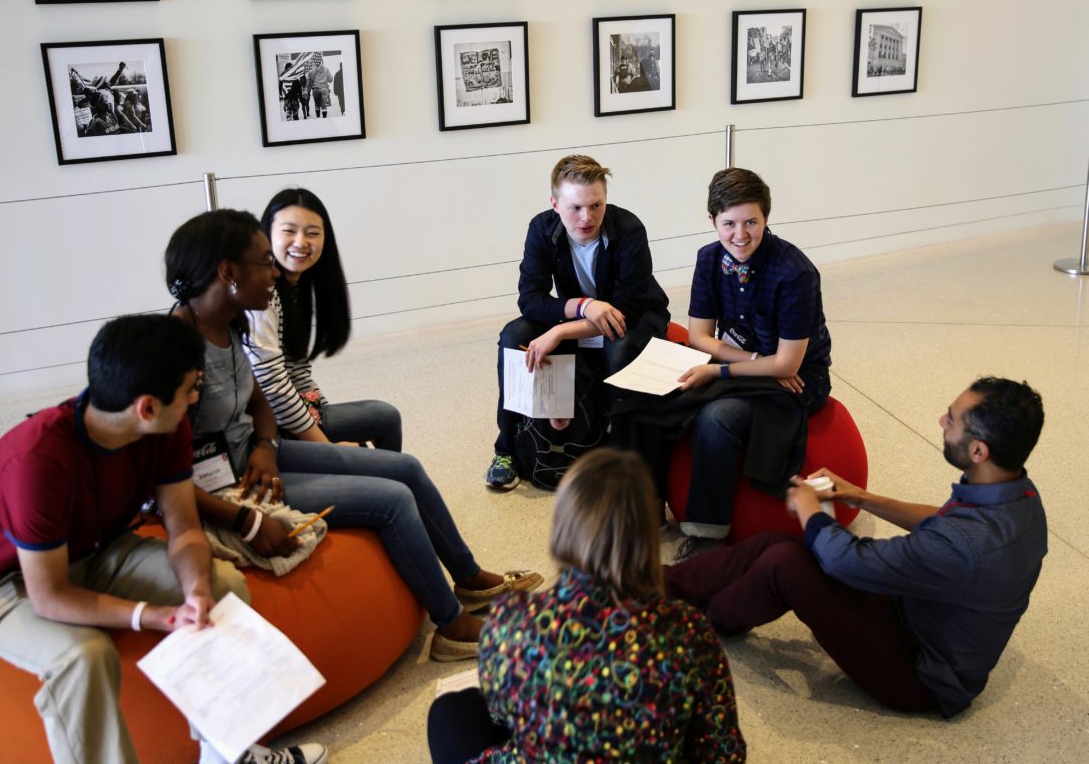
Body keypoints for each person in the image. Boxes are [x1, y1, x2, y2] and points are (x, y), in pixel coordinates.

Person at [0, 315, 327, 764]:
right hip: (1, 584)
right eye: (190, 391)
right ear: (146, 407)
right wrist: (153, 616)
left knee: (225, 589)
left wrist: (196, 590)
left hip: (97, 549)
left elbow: (184, 528)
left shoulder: (165, 425)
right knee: (84, 657)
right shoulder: (37, 462)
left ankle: (226, 754)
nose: (195, 399)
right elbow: (48, 597)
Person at [164, 209, 543, 661]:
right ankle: (452, 625)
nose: (273, 273)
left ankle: (467, 575)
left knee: (405, 468)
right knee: (392, 499)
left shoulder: (232, 322)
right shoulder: (172, 348)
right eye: (264, 261)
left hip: (257, 456)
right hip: (224, 487)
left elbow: (259, 400)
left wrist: (265, 446)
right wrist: (242, 518)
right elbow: (160, 479)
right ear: (227, 272)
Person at [665, 378, 1047, 718]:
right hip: (914, 611)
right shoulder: (1021, 499)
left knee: (786, 561)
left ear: (979, 451)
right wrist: (859, 496)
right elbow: (942, 520)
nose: (941, 423)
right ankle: (661, 585)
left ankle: (707, 620)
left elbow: (845, 560)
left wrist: (810, 510)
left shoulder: (964, 546)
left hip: (919, 675)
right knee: (776, 543)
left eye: (952, 419)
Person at [428, 449, 746, 763]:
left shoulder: (511, 621)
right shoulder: (689, 633)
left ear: (563, 529)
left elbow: (502, 712)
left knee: (448, 714)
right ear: (646, 537)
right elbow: (724, 753)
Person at [485, 154, 670, 490]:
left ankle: (621, 455)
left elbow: (626, 308)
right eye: (575, 208)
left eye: (596, 206)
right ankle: (506, 449)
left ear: (605, 200)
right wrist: (584, 306)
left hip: (636, 315)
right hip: (583, 314)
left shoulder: (629, 229)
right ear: (555, 204)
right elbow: (529, 298)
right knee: (514, 336)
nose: (587, 218)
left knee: (620, 348)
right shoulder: (541, 228)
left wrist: (560, 331)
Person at [674, 167, 832, 541]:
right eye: (729, 223)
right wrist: (754, 361)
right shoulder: (709, 259)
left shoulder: (794, 273)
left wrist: (719, 372)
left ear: (766, 218)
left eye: (751, 222)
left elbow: (788, 364)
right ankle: (649, 504)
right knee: (660, 400)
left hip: (796, 380)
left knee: (717, 416)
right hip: (746, 361)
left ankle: (705, 535)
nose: (740, 235)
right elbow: (698, 336)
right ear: (711, 220)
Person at [245, 187, 401, 451]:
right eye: (288, 231)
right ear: (267, 233)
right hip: (264, 430)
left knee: (385, 417)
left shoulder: (298, 286)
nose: (301, 242)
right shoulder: (264, 296)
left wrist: (321, 419)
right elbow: (273, 387)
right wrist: (328, 445)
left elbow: (297, 371)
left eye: (312, 233)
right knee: (398, 467)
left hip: (287, 417)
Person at [304, 52, 333, 118]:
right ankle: (324, 119)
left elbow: (308, 83)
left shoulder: (311, 71)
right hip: (324, 89)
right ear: (321, 61)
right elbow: (330, 80)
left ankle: (318, 118)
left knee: (317, 105)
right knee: (324, 106)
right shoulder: (326, 69)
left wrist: (307, 92)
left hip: (315, 90)